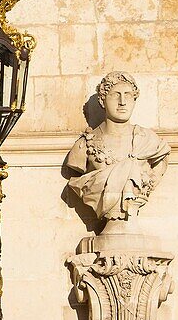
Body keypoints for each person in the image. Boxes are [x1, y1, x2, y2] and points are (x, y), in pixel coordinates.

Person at [65, 71, 169, 234]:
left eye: (128, 95)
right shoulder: (84, 145)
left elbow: (160, 162)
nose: (122, 102)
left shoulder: (148, 141)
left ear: (134, 100)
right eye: (115, 95)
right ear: (102, 100)